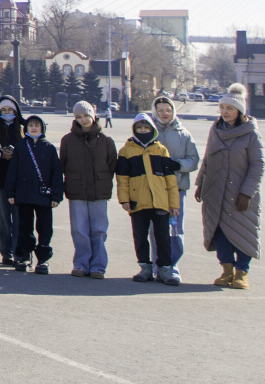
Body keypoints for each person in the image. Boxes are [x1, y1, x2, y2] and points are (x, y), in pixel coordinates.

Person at [196, 84, 264, 290]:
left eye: (229, 108)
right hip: (215, 191)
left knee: (243, 231)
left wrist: (247, 192)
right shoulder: (215, 130)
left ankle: (242, 272)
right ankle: (227, 271)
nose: (224, 112)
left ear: (240, 110)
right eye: (222, 107)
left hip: (240, 194)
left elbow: (257, 165)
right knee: (219, 231)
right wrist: (200, 183)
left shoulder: (251, 134)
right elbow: (207, 157)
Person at [117, 112, 181, 284]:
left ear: (152, 129)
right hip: (138, 202)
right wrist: (124, 200)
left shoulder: (161, 150)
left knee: (163, 238)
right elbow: (122, 179)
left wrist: (174, 204)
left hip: (160, 202)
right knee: (140, 236)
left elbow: (171, 180)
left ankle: (164, 270)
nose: (143, 130)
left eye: (146, 127)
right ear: (134, 129)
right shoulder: (126, 151)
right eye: (139, 128)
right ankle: (145, 268)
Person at [59, 101, 117, 279]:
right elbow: (63, 164)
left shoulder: (106, 141)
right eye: (79, 117)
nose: (84, 119)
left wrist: (103, 181)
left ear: (94, 115)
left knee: (98, 230)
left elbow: (112, 165)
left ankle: (98, 266)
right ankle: (81, 263)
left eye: (86, 115)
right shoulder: (68, 140)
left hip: (99, 191)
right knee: (79, 229)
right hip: (76, 191)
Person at [5, 115, 64, 274]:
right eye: (30, 125)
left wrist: (57, 195)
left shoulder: (49, 148)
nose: (33, 128)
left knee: (44, 227)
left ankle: (43, 259)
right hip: (24, 194)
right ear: (26, 128)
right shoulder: (21, 147)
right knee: (25, 226)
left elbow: (56, 174)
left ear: (42, 128)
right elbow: (13, 172)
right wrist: (11, 192)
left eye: (37, 125)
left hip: (43, 195)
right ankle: (25, 256)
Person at [150, 95, 200, 271]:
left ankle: (172, 265)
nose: (165, 113)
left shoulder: (183, 134)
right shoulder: (149, 132)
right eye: (161, 110)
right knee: (155, 230)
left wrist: (178, 165)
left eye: (168, 110)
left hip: (177, 189)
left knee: (175, 228)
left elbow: (194, 159)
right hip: (153, 189)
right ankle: (157, 265)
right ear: (155, 112)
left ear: (173, 111)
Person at [0, 94, 23, 266]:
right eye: (4, 110)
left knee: (19, 218)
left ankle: (19, 251)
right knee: (3, 218)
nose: (7, 113)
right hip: (0, 177)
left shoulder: (22, 127)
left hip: (20, 180)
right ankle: (6, 252)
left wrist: (16, 154)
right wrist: (0, 154)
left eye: (10, 110)